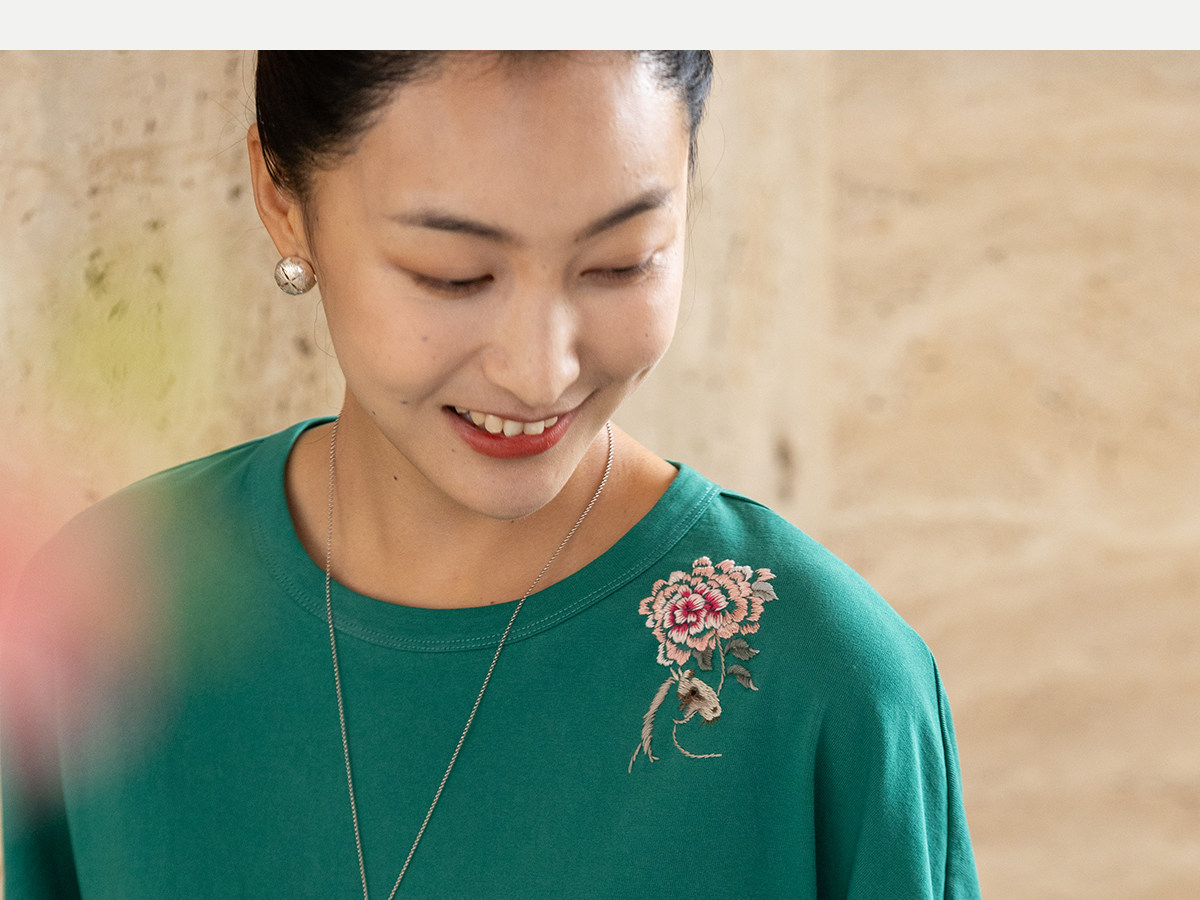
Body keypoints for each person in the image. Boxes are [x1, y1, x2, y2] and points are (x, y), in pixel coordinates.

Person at [1, 51, 981, 898]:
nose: (540, 371)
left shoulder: (829, 690)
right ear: (283, 202)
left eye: (620, 263)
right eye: (454, 274)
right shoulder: (101, 618)